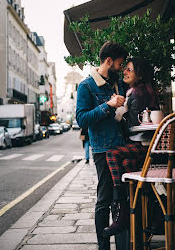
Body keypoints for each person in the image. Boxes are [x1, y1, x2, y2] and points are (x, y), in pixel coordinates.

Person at [76, 41, 128, 250]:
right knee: (104, 199)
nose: (121, 68)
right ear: (108, 61)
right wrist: (107, 106)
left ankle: (123, 245)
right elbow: (81, 119)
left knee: (121, 198)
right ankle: (103, 246)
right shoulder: (86, 86)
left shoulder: (117, 83)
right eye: (119, 63)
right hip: (103, 150)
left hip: (122, 146)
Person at [103, 57, 159, 237]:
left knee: (112, 155)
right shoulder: (147, 90)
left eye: (129, 69)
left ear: (139, 74)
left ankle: (123, 208)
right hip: (150, 147)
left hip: (144, 145)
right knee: (127, 166)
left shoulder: (135, 92)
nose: (125, 72)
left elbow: (132, 127)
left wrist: (120, 111)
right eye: (125, 68)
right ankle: (147, 221)